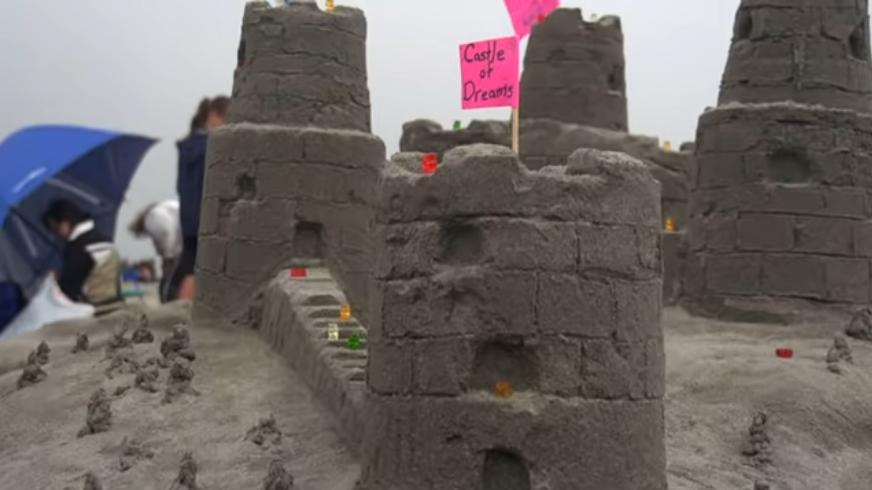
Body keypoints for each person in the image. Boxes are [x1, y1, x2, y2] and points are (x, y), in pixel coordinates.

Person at [173, 96, 230, 301]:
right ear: (213, 116)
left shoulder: (189, 147)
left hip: (188, 218)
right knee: (198, 271)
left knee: (191, 268)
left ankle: (182, 311)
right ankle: (185, 313)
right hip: (205, 217)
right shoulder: (210, 147)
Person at [41, 199, 124, 316]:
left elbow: (69, 291)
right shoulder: (106, 241)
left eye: (55, 229)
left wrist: (53, 284)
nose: (56, 235)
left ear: (65, 223)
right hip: (116, 306)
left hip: (93, 311)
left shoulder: (78, 248)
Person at [127, 199, 182, 302]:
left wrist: (168, 258)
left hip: (177, 250)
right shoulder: (166, 208)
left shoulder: (152, 218)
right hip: (186, 238)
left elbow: (166, 237)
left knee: (170, 284)